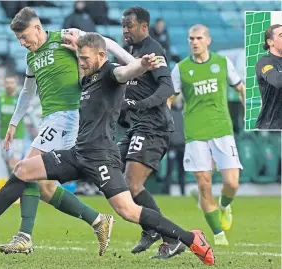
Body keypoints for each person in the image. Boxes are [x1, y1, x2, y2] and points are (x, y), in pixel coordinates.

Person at [0, 33, 214, 266]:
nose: (81, 62)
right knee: (23, 169)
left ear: (101, 56)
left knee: (128, 211)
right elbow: (83, 54)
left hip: (101, 157)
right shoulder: (88, 77)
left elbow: (126, 72)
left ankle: (192, 238)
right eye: (79, 58)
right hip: (78, 154)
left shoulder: (111, 72)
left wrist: (141, 65)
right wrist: (74, 44)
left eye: (85, 58)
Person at [0, 7, 128, 256]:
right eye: (18, 39)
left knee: (25, 169)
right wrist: (14, 123)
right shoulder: (31, 58)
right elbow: (27, 93)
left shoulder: (65, 37)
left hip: (68, 115)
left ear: (37, 28)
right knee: (45, 188)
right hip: (52, 119)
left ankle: (8, 229)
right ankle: (98, 220)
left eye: (25, 36)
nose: (23, 42)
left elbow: (104, 42)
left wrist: (130, 60)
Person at [116, 7, 185, 258]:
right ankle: (151, 228)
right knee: (108, 166)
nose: (125, 30)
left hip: (154, 126)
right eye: (123, 26)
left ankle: (170, 237)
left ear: (144, 26)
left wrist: (138, 105)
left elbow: (167, 87)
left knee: (132, 185)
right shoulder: (131, 51)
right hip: (137, 126)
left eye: (130, 26)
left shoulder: (152, 50)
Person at [171, 24, 245, 246]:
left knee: (232, 183)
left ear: (208, 40)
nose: (194, 42)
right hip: (195, 132)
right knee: (204, 184)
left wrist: (251, 110)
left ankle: (224, 206)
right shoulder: (181, 69)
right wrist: (165, 116)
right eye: (190, 38)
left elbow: (240, 88)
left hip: (222, 129)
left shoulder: (222, 63)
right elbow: (170, 97)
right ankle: (218, 235)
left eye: (198, 38)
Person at [255, 24, 282, 129]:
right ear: (270, 42)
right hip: (271, 126)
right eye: (281, 35)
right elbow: (277, 81)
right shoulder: (265, 62)